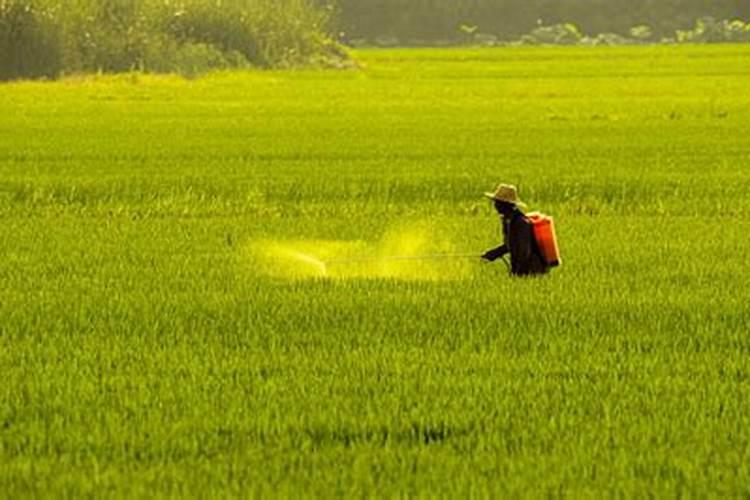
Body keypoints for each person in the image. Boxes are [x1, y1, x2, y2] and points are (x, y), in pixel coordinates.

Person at [481, 183, 548, 276]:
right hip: (523, 268)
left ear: (506, 204)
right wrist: (493, 254)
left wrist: (517, 273)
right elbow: (509, 245)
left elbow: (524, 251)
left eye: (498, 202)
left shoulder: (521, 223)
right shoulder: (508, 220)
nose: (495, 205)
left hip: (533, 271)